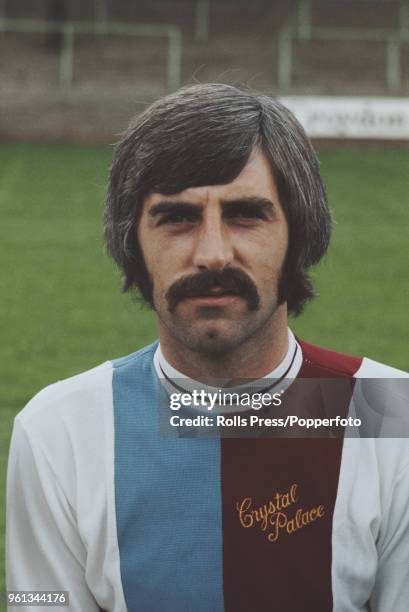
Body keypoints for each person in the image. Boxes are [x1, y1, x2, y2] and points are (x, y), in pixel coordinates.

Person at [6, 84, 409, 612]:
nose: (212, 253)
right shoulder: (55, 431)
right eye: (177, 218)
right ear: (134, 243)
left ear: (299, 234)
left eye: (246, 214)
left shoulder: (392, 416)